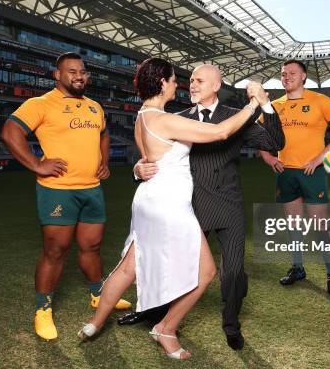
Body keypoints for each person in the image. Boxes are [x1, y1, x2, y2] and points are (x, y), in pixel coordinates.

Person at [77, 58, 268, 359]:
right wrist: (252, 105)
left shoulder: (144, 116)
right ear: (162, 82)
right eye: (173, 79)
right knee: (205, 273)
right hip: (169, 204)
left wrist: (139, 169)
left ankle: (94, 323)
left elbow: (155, 158)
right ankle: (166, 328)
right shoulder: (163, 119)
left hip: (149, 198)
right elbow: (219, 133)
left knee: (129, 266)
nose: (178, 84)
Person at [120, 64, 285, 350]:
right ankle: (153, 313)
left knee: (233, 272)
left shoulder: (236, 117)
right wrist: (137, 169)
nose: (192, 85)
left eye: (199, 80)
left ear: (216, 85)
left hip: (229, 207)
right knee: (171, 265)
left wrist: (266, 104)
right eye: (190, 80)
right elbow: (149, 156)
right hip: (191, 208)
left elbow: (275, 142)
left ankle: (231, 323)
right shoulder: (176, 118)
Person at [0, 52, 131, 341]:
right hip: (57, 191)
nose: (79, 76)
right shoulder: (41, 104)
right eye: (71, 71)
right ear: (57, 75)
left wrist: (103, 161)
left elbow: (104, 135)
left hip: (91, 189)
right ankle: (42, 310)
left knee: (92, 246)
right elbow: (10, 133)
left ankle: (98, 295)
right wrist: (36, 164)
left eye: (82, 71)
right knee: (55, 251)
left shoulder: (95, 107)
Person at [259, 59, 330, 295]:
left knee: (319, 225)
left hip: (312, 171)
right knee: (293, 225)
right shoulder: (273, 106)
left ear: (303, 77)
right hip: (285, 173)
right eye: (283, 74)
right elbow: (257, 135)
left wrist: (321, 157)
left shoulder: (320, 101)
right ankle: (298, 267)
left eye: (292, 73)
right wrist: (269, 158)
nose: (287, 77)